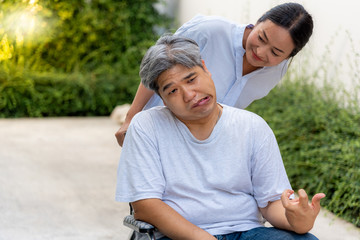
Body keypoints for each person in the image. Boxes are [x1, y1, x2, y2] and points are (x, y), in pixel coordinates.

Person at [115, 34, 325, 240]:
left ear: (206, 69)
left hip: (247, 232)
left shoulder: (252, 126)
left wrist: (298, 221)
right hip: (177, 235)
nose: (189, 95)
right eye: (172, 91)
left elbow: (271, 202)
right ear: (161, 97)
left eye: (191, 79)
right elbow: (146, 206)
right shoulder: (146, 127)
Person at [115, 2, 314, 146]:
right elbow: (155, 67)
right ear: (258, 22)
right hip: (158, 132)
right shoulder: (210, 31)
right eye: (261, 37)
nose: (261, 52)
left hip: (201, 147)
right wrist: (131, 118)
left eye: (276, 52)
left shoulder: (276, 72)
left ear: (289, 56)